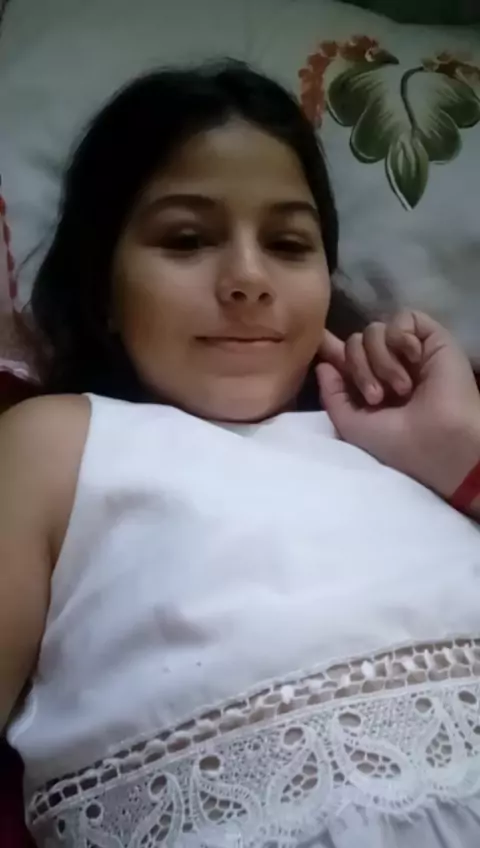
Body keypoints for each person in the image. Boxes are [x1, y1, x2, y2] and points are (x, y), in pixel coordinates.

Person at [1, 60, 480, 848]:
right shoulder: (56, 439)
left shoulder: (406, 440)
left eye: (289, 244)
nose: (249, 280)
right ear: (103, 286)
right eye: (187, 239)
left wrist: (460, 460)